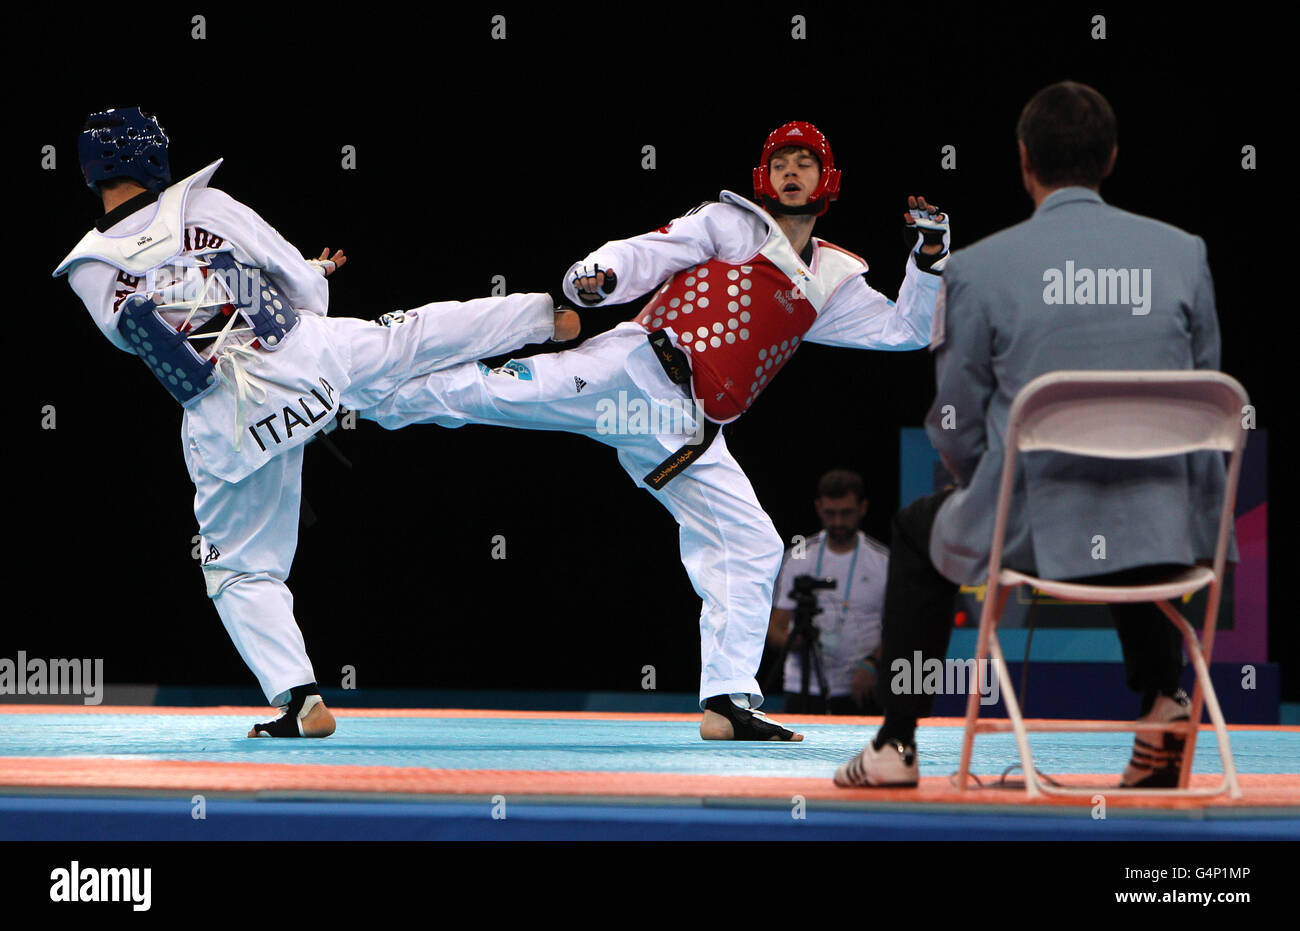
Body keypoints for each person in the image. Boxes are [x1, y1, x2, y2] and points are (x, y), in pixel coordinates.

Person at [366, 121, 950, 740]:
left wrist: (931, 258)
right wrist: (600, 275)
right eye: (781, 161)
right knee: (493, 392)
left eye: (805, 161)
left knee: (753, 544)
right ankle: (364, 387)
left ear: (827, 180)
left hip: (685, 431)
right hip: (635, 369)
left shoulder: (832, 278)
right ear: (763, 175)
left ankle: (727, 702)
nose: (791, 171)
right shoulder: (731, 224)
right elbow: (647, 251)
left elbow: (904, 331)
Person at [54, 107, 579, 738]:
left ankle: (300, 699)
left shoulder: (86, 268)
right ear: (153, 157)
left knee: (238, 567)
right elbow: (299, 284)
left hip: (232, 425)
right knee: (411, 339)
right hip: (306, 363)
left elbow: (140, 339)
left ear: (90, 172)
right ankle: (543, 319)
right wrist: (307, 288)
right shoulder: (208, 204)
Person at [834, 81, 1233, 788]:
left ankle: (896, 743)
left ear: (1024, 161)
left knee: (915, 529)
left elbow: (953, 419)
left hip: (1030, 530)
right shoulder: (1184, 253)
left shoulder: (980, 268)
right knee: (1128, 493)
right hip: (1167, 534)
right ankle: (1163, 698)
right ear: (1111, 159)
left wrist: (980, 482)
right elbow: (1205, 398)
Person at [767, 469, 887, 714]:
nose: (838, 522)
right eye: (830, 514)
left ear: (863, 508)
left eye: (846, 513)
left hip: (860, 687)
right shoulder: (797, 558)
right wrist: (794, 641)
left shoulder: (883, 561)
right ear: (818, 507)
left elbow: (898, 627)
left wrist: (873, 664)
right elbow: (775, 627)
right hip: (802, 688)